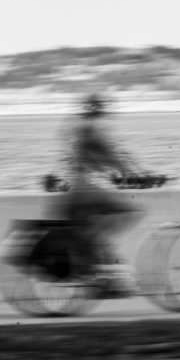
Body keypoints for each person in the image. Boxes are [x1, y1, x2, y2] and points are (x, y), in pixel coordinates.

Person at [53, 93, 144, 297]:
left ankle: (98, 276)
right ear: (99, 108)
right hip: (84, 188)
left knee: (91, 231)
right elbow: (110, 153)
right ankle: (102, 271)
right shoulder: (93, 128)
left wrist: (132, 168)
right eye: (103, 107)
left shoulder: (76, 127)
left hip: (72, 190)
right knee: (132, 210)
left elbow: (108, 153)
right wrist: (133, 173)